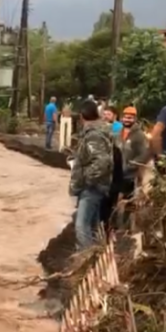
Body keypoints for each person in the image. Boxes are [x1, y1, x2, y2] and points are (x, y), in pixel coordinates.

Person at [70, 101, 115, 249]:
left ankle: (87, 257)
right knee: (93, 226)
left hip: (92, 187)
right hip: (98, 186)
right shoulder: (100, 131)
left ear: (82, 116)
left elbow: (102, 161)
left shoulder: (93, 135)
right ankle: (97, 254)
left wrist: (86, 179)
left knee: (81, 226)